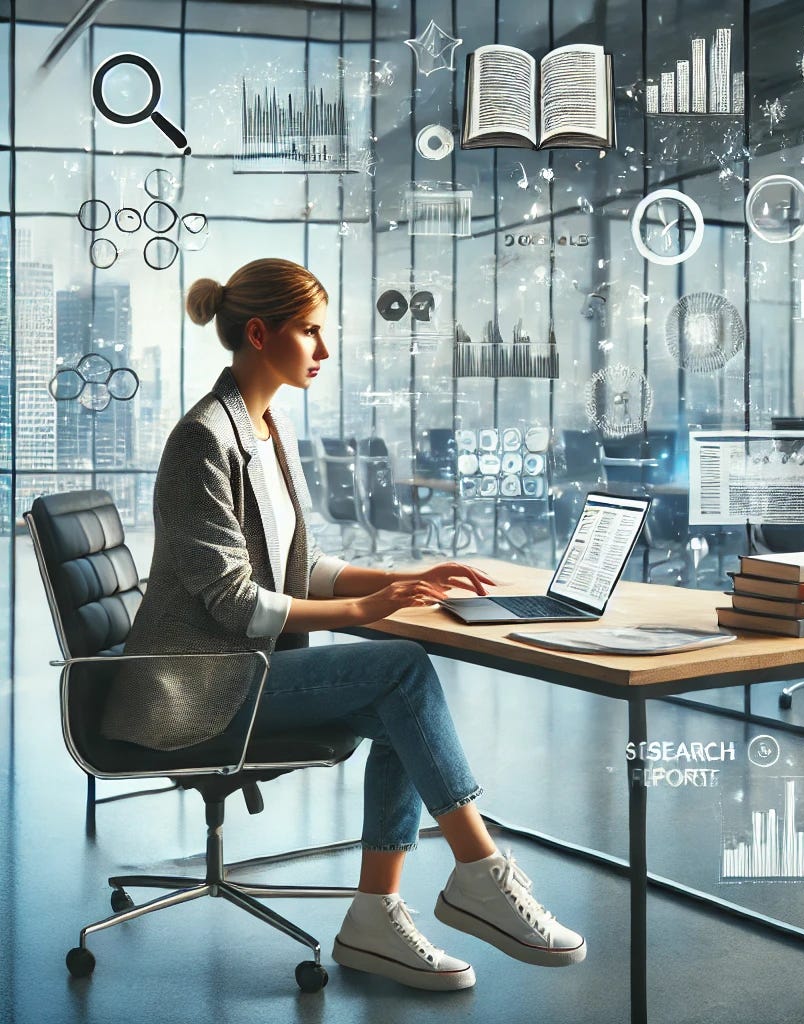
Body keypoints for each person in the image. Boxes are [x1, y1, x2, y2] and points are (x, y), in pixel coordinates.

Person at [101, 258, 585, 992]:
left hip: (241, 675)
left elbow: (303, 565)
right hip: (192, 692)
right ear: (259, 333)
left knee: (397, 697)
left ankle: (374, 916)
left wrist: (403, 579)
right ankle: (480, 874)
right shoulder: (204, 439)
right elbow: (236, 601)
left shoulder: (266, 426)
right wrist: (364, 613)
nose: (324, 350)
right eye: (312, 332)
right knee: (399, 667)